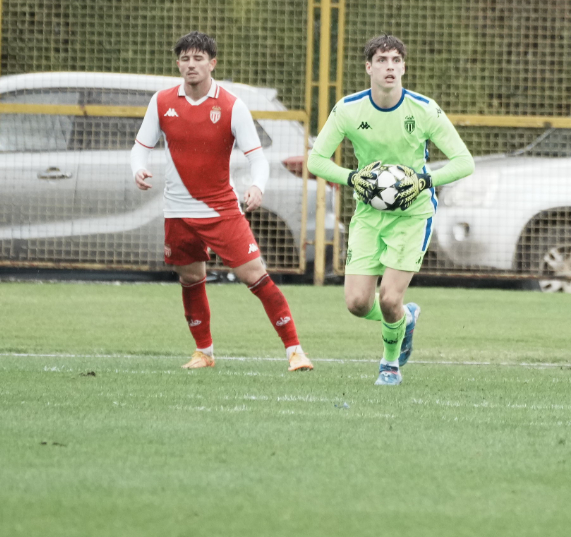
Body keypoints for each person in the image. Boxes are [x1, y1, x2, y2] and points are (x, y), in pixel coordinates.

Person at [131, 31, 313, 373]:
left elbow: (258, 159)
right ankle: (204, 353)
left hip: (221, 210)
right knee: (190, 279)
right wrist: (138, 168)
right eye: (185, 58)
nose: (191, 64)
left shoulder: (231, 106)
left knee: (255, 275)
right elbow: (140, 147)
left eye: (198, 58)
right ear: (178, 64)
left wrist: (257, 186)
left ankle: (295, 351)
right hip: (177, 211)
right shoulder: (162, 101)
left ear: (212, 63)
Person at [307, 35, 474, 385]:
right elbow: (316, 160)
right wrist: (352, 177)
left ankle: (389, 364)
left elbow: (464, 162)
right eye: (382, 60)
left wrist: (424, 181)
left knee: (388, 299)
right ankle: (406, 319)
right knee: (357, 303)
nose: (390, 67)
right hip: (369, 214)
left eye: (396, 60)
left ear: (404, 68)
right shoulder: (349, 109)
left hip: (413, 215)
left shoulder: (423, 109)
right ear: (368, 67)